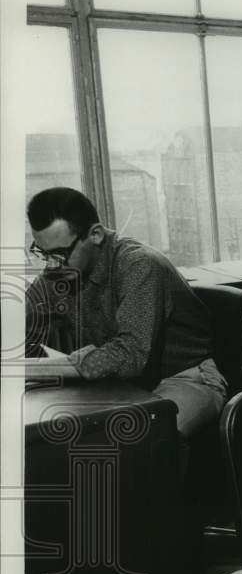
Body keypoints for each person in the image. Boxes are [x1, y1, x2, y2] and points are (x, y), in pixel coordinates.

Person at [24, 187, 226, 440]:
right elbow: (22, 315)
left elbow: (130, 354)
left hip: (185, 378)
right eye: (42, 253)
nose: (51, 265)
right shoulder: (62, 269)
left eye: (58, 254)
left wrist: (35, 369)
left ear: (95, 234)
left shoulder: (139, 265)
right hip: (123, 386)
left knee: (144, 439)